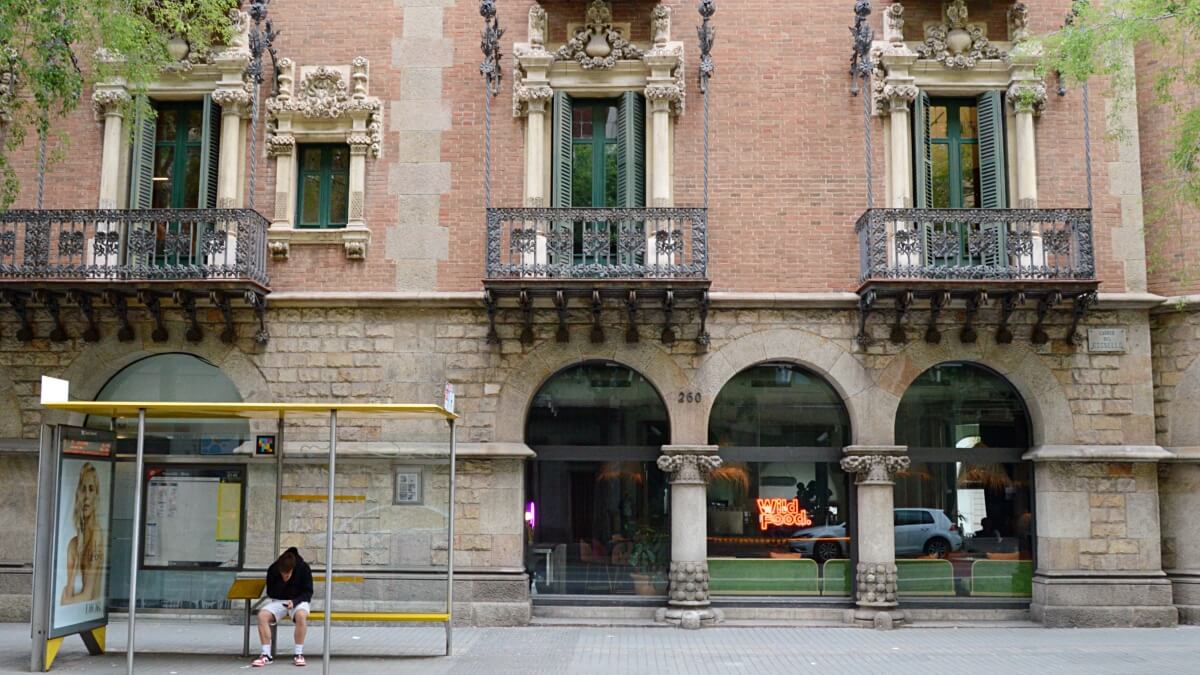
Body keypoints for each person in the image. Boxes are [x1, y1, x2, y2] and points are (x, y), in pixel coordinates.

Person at [252, 547, 313, 667]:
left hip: (299, 601)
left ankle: (298, 654)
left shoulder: (303, 568)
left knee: (301, 615)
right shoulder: (274, 569)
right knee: (262, 616)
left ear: (293, 569)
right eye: (282, 574)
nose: (285, 576)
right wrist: (282, 584)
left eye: (288, 574)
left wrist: (294, 602)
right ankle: (266, 654)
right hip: (279, 601)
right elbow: (270, 592)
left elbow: (308, 592)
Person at [60, 462, 103, 606]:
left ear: (97, 495)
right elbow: (69, 589)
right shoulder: (73, 544)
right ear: (77, 494)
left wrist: (67, 601)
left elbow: (88, 594)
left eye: (91, 489)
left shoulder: (96, 534)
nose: (86, 496)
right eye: (83, 489)